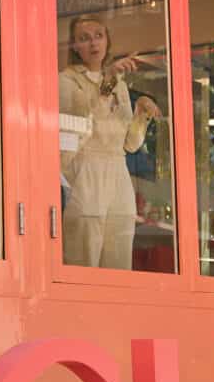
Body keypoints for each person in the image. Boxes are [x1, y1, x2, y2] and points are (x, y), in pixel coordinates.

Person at [58, 14, 161, 269]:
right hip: (85, 168)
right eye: (84, 38)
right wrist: (108, 79)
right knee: (85, 255)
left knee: (119, 259)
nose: (93, 43)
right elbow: (78, 123)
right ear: (75, 46)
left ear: (107, 40)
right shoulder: (66, 80)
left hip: (118, 172)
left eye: (99, 36)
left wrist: (141, 113)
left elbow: (130, 144)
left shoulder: (120, 86)